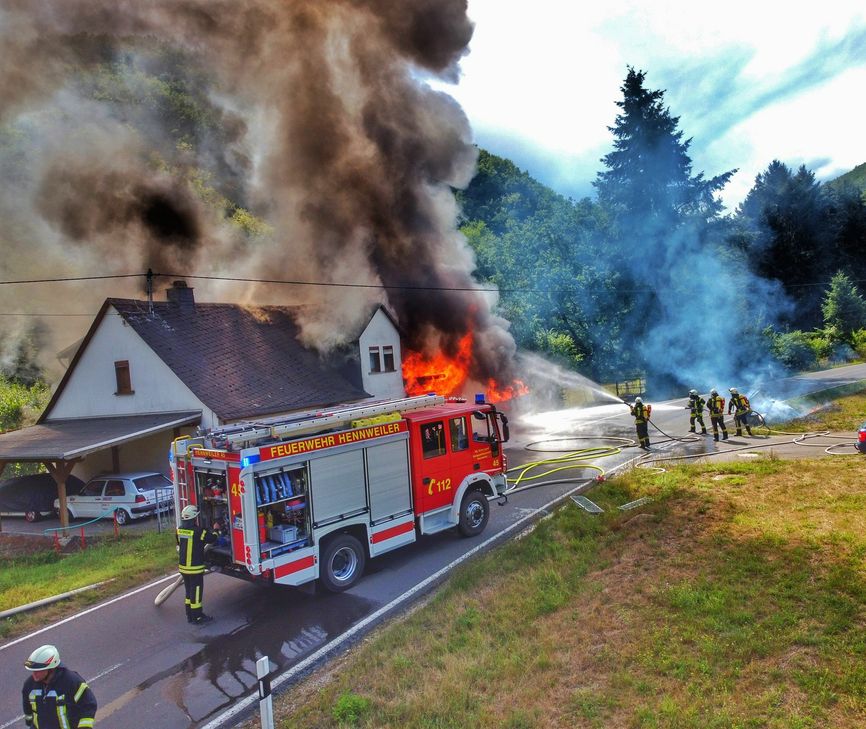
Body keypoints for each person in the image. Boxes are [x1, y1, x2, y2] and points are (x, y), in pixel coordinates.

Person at [22, 644, 97, 729]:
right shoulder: (29, 684)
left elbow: (88, 705)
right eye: (33, 670)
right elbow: (28, 711)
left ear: (51, 669)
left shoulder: (71, 681)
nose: (34, 674)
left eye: (38, 670)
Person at [177, 504, 220, 625]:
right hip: (194, 568)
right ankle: (198, 617)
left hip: (183, 568)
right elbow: (212, 539)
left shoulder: (179, 530)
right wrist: (216, 529)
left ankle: (189, 615)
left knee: (188, 591)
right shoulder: (198, 531)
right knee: (196, 592)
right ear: (194, 518)